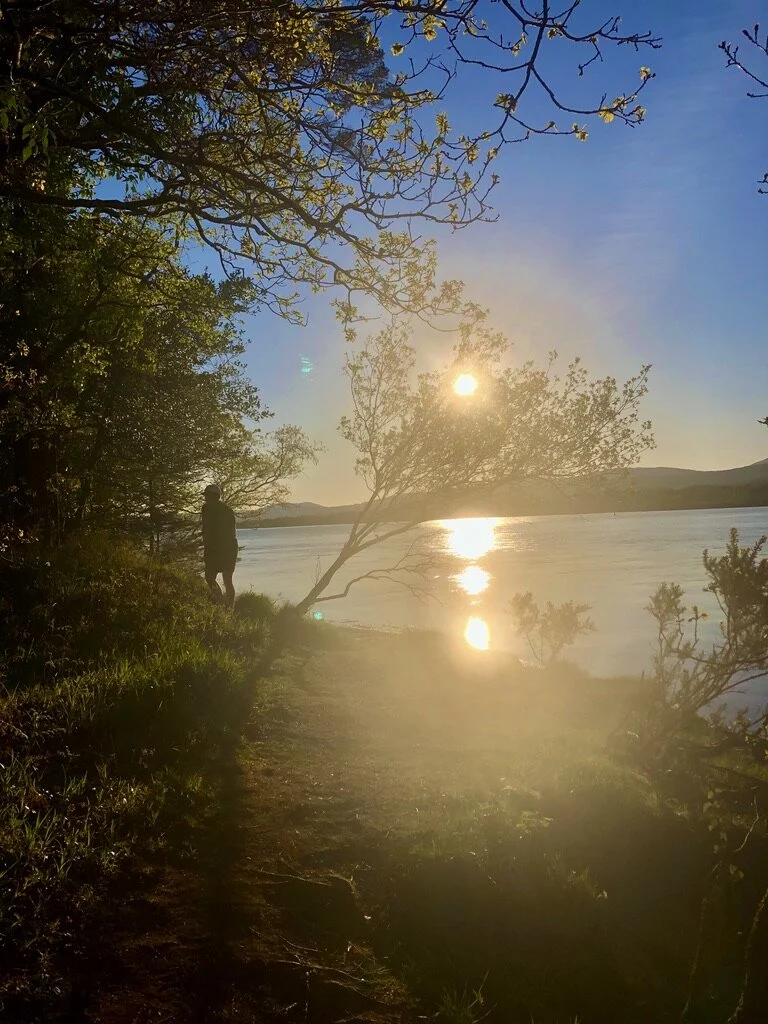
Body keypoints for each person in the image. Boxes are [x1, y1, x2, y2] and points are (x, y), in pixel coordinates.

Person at [201, 484, 238, 608]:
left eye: (207, 495)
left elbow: (230, 532)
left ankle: (229, 609)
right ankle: (220, 602)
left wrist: (223, 548)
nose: (205, 498)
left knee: (227, 579)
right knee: (209, 577)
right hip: (213, 548)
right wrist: (208, 547)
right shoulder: (205, 509)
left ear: (214, 496)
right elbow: (206, 529)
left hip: (227, 548)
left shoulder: (226, 510)